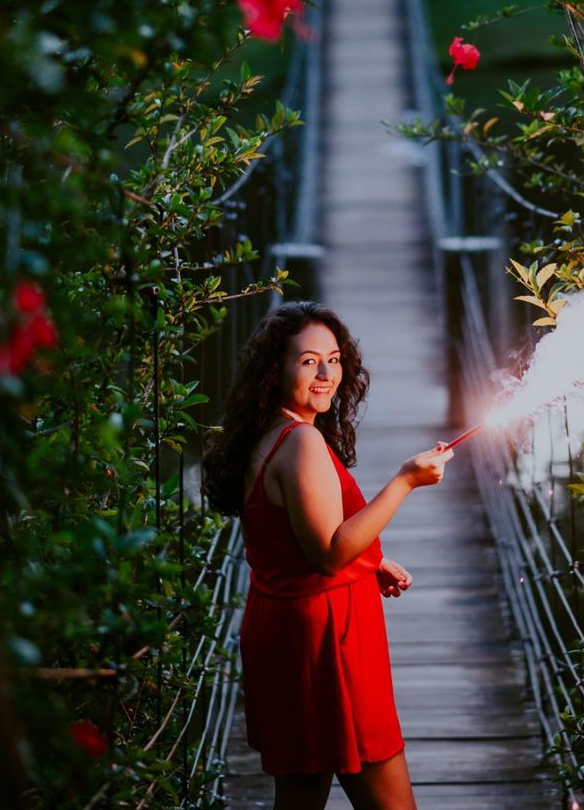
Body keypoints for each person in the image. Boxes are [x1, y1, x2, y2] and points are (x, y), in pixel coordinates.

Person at [202, 301, 454, 810]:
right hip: (327, 641)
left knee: (299, 796)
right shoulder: (302, 444)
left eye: (334, 359)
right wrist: (405, 481)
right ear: (276, 370)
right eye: (309, 360)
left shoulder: (267, 432)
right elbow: (328, 553)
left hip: (285, 631)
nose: (326, 373)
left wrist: (371, 560)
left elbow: (294, 537)